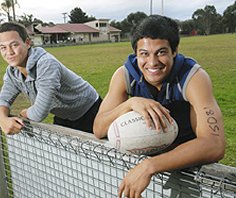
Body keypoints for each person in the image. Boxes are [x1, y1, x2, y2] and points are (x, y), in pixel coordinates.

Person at [93, 15, 225, 198]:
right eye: (144, 54)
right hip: (142, 164)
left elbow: (214, 144)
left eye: (161, 52)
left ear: (174, 51)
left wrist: (149, 166)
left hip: (186, 165)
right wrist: (130, 104)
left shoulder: (193, 77)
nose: (153, 62)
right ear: (136, 53)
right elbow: (98, 128)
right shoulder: (125, 75)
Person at [0, 22, 101, 135]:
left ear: (27, 43)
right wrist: (2, 119)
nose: (9, 52)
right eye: (3, 48)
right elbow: (3, 99)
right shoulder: (12, 71)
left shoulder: (46, 64)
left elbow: (40, 112)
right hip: (63, 113)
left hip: (89, 109)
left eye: (14, 45)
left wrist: (24, 113)